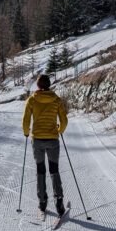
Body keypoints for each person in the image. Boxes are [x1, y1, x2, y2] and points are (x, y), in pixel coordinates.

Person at [22, 74, 68, 218]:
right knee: (54, 170)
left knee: (40, 170)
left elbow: (25, 120)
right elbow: (64, 121)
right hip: (53, 140)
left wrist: (26, 133)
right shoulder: (57, 100)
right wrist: (59, 131)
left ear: (38, 86)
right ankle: (59, 201)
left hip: (38, 141)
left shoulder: (32, 100)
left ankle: (42, 201)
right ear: (49, 85)